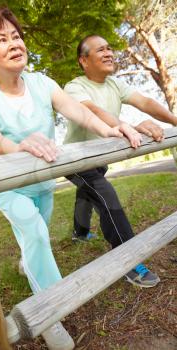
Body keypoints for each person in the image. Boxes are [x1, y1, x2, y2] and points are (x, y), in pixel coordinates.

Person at [0, 9, 141, 350]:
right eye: (2, 39)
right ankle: (50, 314)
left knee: (38, 235)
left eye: (16, 36)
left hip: (43, 179)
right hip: (8, 184)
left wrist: (110, 128)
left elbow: (77, 111)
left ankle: (27, 260)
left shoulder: (43, 83)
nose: (15, 42)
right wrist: (18, 146)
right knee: (32, 228)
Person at [64, 34, 177, 289]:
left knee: (87, 194)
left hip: (101, 156)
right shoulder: (74, 86)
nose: (109, 53)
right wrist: (128, 126)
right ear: (84, 60)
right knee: (106, 197)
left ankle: (79, 233)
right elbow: (92, 111)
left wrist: (174, 121)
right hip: (77, 159)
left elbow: (145, 102)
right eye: (100, 50)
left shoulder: (115, 85)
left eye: (109, 48)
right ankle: (128, 260)